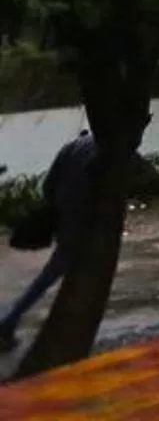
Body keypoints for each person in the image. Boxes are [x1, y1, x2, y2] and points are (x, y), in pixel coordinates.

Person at [0, 130, 93, 351]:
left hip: (66, 216)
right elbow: (147, 177)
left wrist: (58, 208)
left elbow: (48, 185)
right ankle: (8, 320)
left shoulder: (72, 146)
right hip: (85, 222)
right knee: (56, 273)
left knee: (60, 272)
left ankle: (10, 319)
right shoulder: (113, 151)